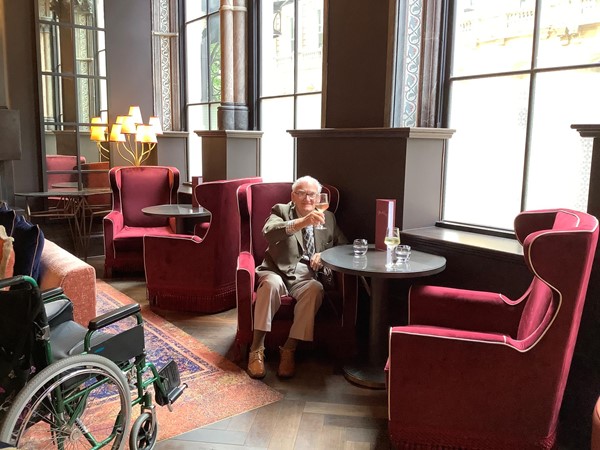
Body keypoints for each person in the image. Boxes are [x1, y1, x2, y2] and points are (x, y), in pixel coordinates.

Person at [247, 175, 347, 379]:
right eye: (301, 193)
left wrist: (324, 255)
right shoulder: (281, 210)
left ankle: (289, 349)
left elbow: (343, 245)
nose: (307, 198)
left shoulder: (328, 218)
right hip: (276, 270)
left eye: (311, 194)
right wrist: (302, 222)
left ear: (319, 197)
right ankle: (256, 349)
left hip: (305, 277)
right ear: (293, 196)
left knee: (315, 289)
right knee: (269, 286)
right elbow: (269, 232)